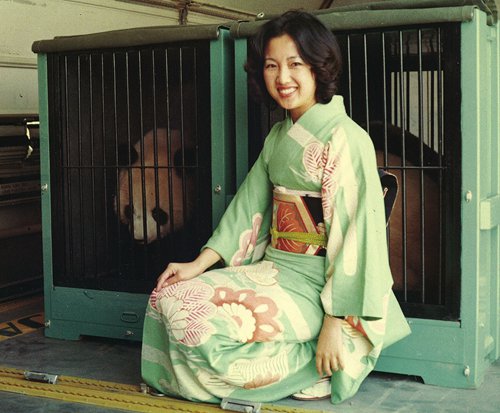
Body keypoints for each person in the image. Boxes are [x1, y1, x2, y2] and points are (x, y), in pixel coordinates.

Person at [141, 10, 410, 405]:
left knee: (193, 317)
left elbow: (356, 235)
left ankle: (327, 360)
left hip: (322, 285)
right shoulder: (279, 136)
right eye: (271, 66)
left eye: (295, 64)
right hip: (277, 268)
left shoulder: (346, 138)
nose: (282, 78)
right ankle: (296, 364)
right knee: (169, 300)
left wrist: (334, 322)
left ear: (321, 66)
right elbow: (248, 207)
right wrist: (197, 265)